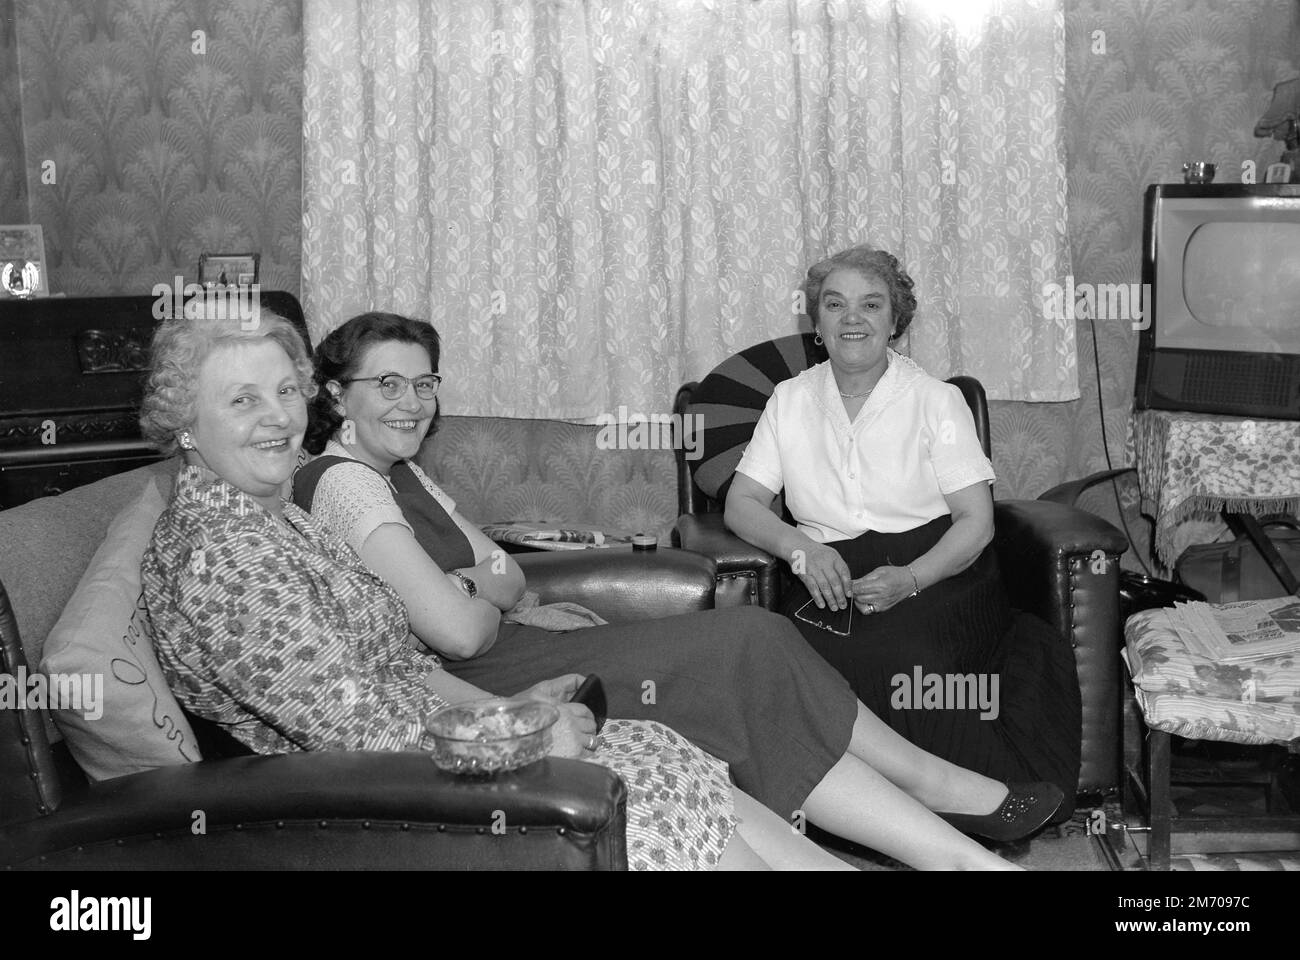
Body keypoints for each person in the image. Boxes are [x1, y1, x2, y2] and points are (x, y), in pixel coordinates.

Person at [291, 310, 1063, 867]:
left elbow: (508, 572)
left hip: (510, 644)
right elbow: (460, 632)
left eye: (423, 383)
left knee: (755, 651)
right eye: (386, 384)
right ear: (334, 395)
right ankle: (947, 814)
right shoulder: (346, 486)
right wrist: (475, 593)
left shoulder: (403, 473)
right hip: (476, 682)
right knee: (750, 642)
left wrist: (469, 586)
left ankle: (948, 830)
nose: (413, 402)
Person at [136, 309, 880, 871]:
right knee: (644, 791)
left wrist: (512, 710)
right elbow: (356, 733)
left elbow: (405, 665)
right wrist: (524, 736)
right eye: (242, 401)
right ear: (186, 427)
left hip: (441, 743)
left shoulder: (273, 516)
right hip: (387, 800)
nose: (277, 418)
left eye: (283, 392)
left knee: (659, 747)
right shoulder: (224, 558)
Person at [723, 244, 1082, 813]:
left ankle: (959, 803)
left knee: (902, 657)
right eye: (835, 304)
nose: (852, 318)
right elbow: (742, 503)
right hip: (827, 572)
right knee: (791, 659)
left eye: (871, 304)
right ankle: (846, 811)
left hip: (939, 568)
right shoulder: (788, 401)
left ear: (896, 321)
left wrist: (911, 579)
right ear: (816, 322)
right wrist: (800, 549)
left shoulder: (936, 401)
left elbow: (976, 522)